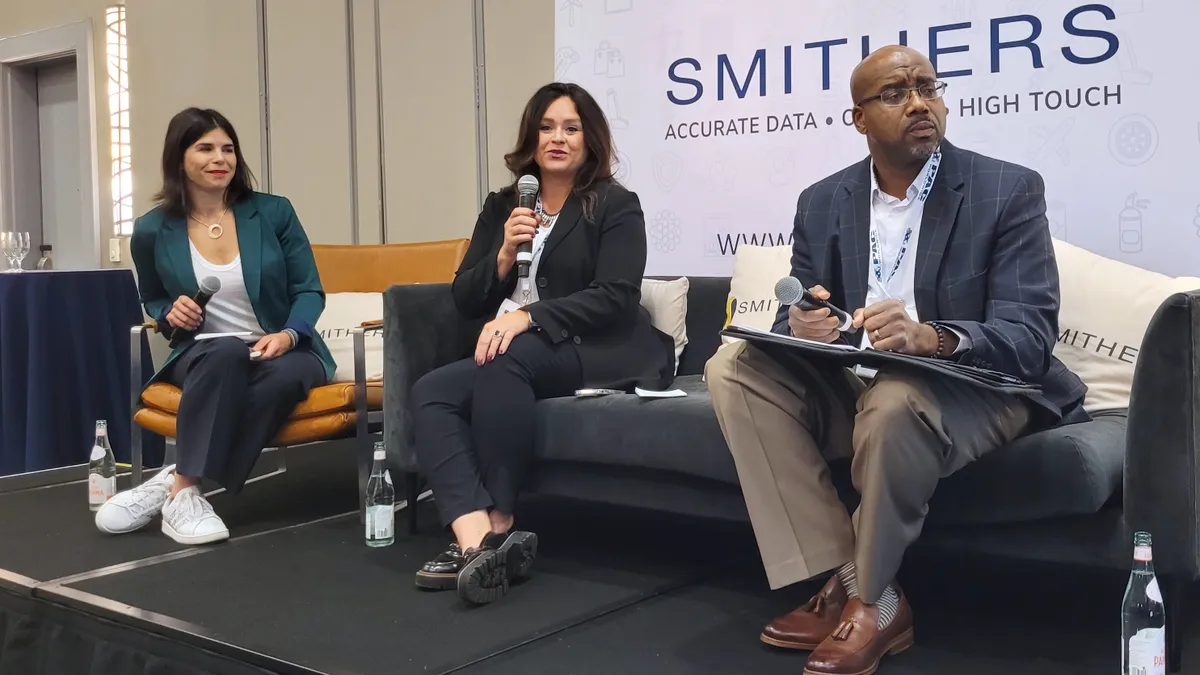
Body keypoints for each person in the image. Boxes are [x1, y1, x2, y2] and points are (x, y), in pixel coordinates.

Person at [705, 46, 1088, 675]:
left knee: (893, 401)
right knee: (732, 367)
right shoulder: (824, 201)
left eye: (927, 88)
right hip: (858, 380)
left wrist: (931, 337)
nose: (918, 102)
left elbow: (1029, 335)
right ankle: (851, 576)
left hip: (979, 387)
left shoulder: (1006, 189)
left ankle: (865, 602)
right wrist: (804, 323)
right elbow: (795, 313)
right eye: (893, 93)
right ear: (857, 118)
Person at [409, 82, 676, 605]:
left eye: (571, 128)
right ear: (531, 138)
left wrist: (528, 316)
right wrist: (505, 253)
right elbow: (466, 296)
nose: (557, 138)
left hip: (598, 344)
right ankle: (476, 544)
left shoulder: (616, 204)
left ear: (589, 139)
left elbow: (616, 297)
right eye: (547, 127)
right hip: (520, 349)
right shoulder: (504, 205)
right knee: (432, 391)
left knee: (507, 361)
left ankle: (503, 519)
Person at [95, 108, 334, 545]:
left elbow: (309, 290)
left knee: (287, 378)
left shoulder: (273, 213)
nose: (219, 158)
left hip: (283, 347)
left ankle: (179, 484)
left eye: (227, 148)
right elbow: (152, 297)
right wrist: (171, 313)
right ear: (179, 157)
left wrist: (288, 334)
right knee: (224, 352)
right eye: (204, 148)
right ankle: (184, 492)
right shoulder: (151, 229)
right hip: (204, 352)